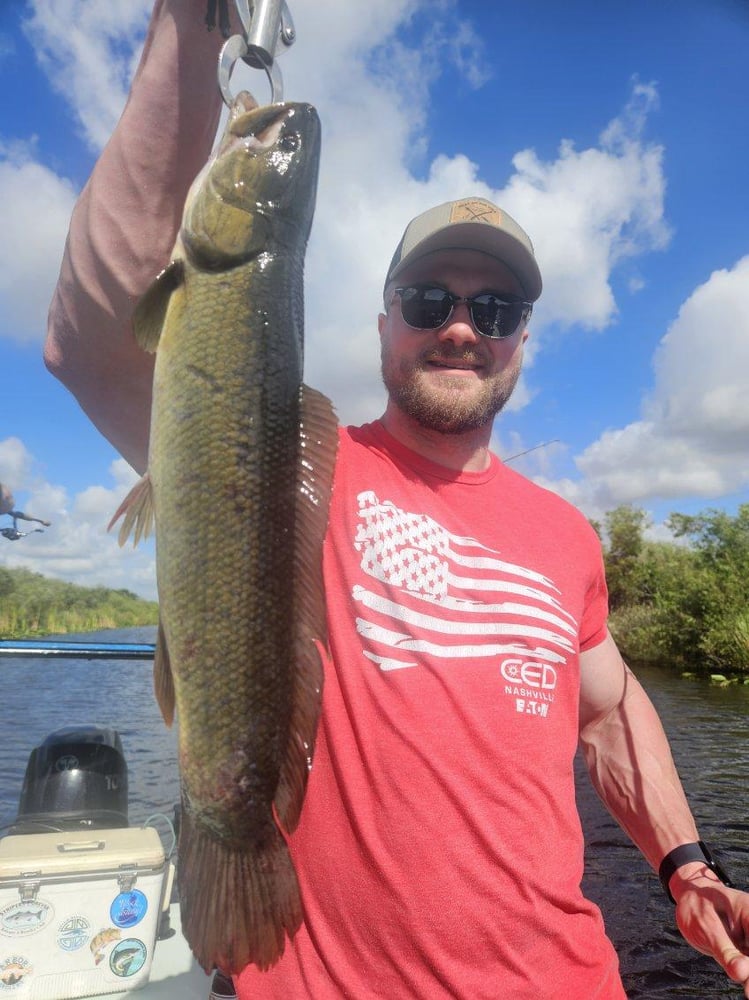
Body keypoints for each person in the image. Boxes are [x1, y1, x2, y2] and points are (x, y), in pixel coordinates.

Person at [44, 3, 749, 998]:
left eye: (493, 309)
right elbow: (88, 339)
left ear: (518, 340)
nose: (461, 328)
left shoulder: (563, 536)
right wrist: (187, 32)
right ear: (382, 323)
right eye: (430, 301)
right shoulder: (279, 458)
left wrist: (684, 861)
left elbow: (609, 709)